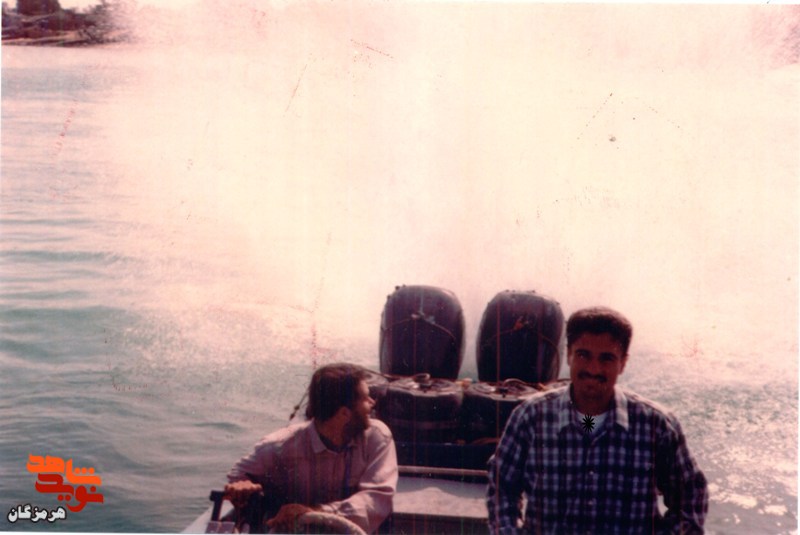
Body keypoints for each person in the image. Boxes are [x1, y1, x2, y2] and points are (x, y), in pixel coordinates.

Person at [487, 306, 708, 534]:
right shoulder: (530, 418)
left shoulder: (657, 426)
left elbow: (691, 497)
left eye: (606, 358)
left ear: (623, 363)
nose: (593, 369)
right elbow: (502, 486)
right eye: (584, 355)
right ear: (569, 355)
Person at [225, 363, 398, 534]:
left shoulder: (376, 437)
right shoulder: (280, 447)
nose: (372, 402)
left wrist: (315, 512)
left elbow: (376, 498)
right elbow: (238, 475)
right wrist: (242, 486)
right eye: (366, 398)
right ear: (344, 413)